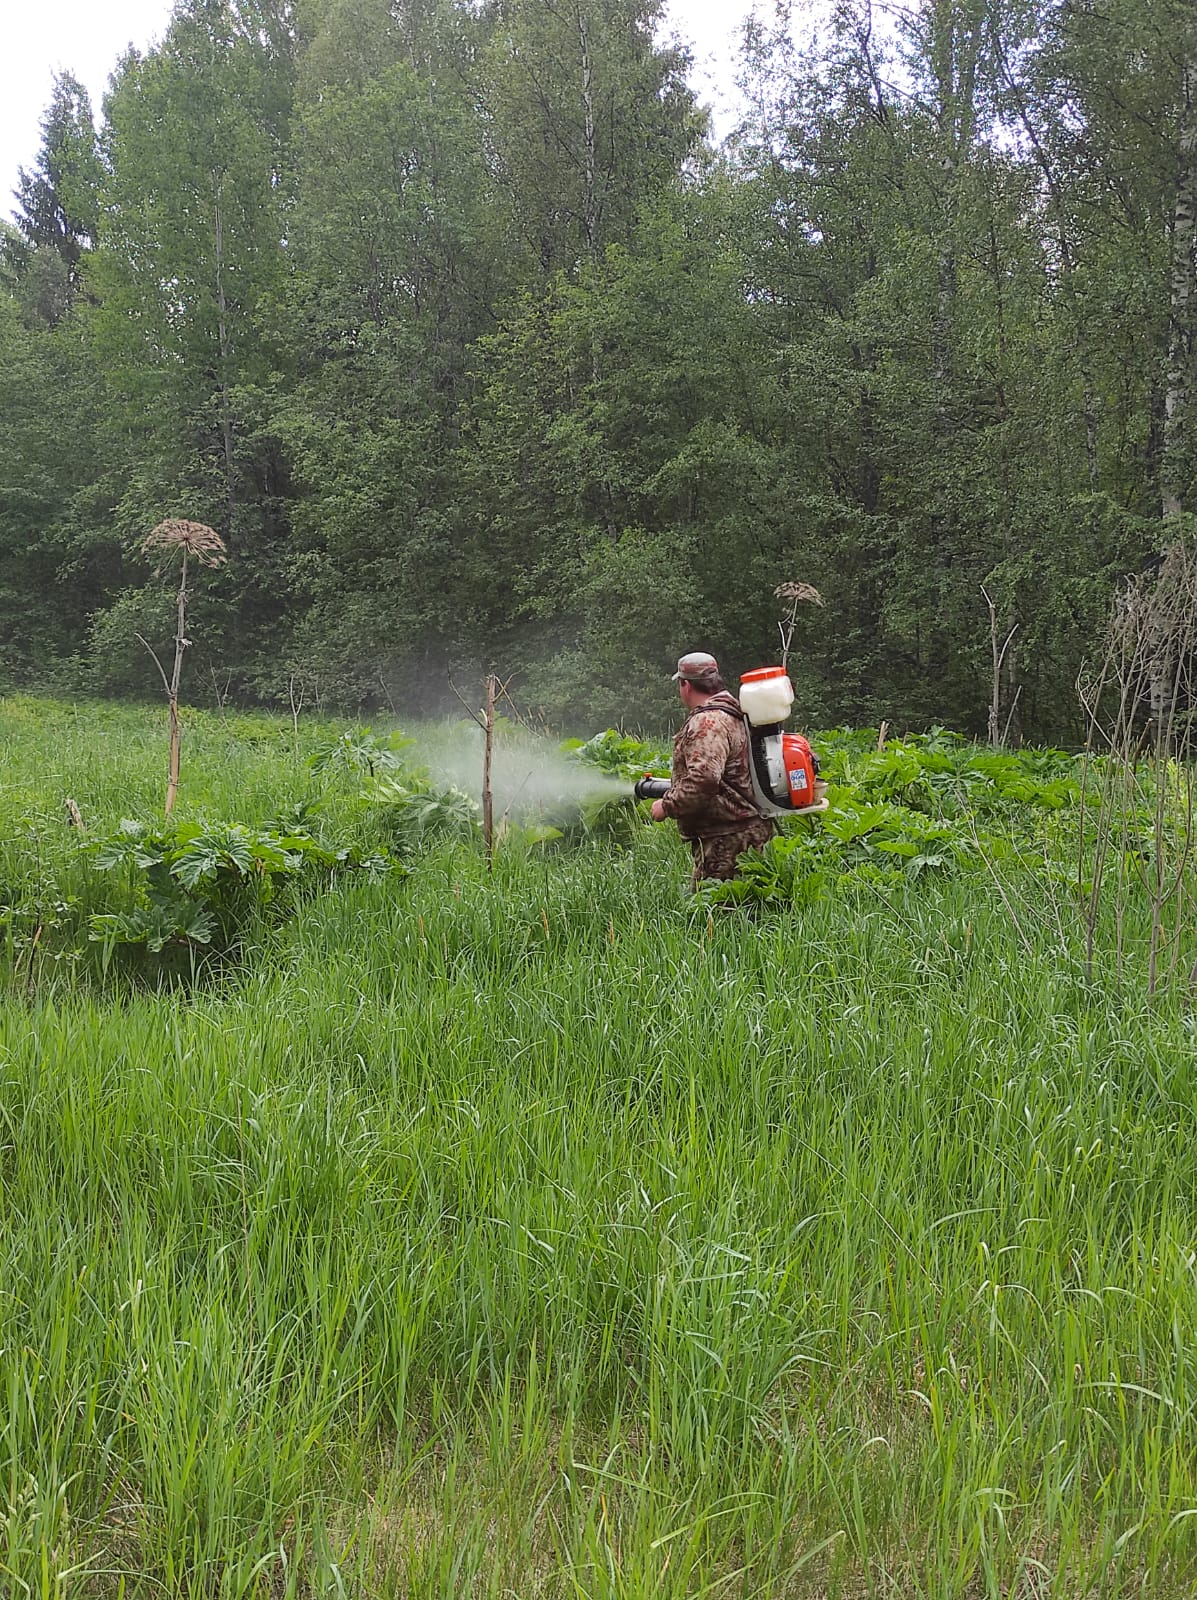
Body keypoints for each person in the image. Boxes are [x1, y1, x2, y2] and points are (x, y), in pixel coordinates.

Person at [649, 650, 775, 889]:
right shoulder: (735, 712)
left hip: (726, 839)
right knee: (752, 915)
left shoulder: (708, 722)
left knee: (715, 916)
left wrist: (666, 806)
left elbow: (705, 778)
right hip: (750, 829)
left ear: (686, 685)